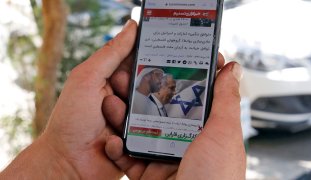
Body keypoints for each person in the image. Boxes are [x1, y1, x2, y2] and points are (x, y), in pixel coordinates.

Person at [0, 20, 246, 179]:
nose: (170, 90)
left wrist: (61, 159)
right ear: (151, 79)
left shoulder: (154, 106)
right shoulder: (142, 103)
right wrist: (61, 159)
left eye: (171, 86)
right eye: (166, 83)